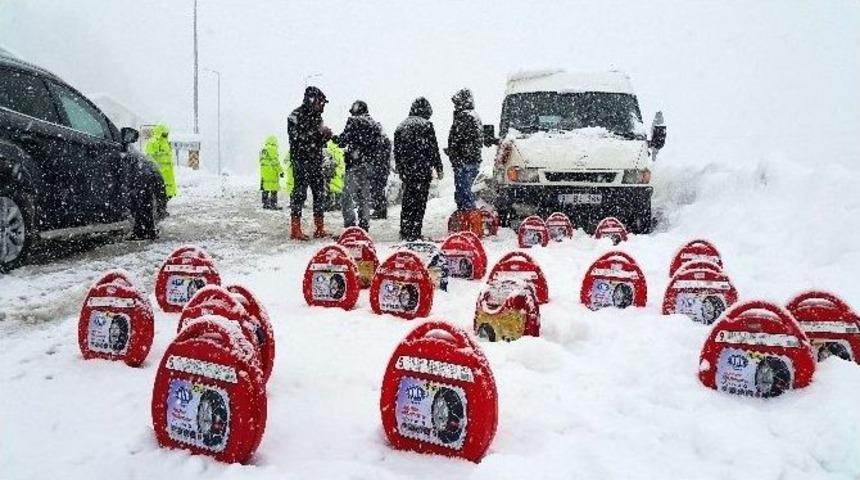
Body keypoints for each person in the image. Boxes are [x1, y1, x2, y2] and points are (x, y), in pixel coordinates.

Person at [394, 97, 443, 241]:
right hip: (422, 171)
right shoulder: (426, 125)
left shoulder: (401, 126)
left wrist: (401, 169)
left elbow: (397, 152)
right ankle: (415, 231)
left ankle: (405, 230)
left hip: (408, 172)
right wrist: (438, 167)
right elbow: (433, 149)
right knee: (419, 203)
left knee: (408, 200)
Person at [287, 86, 333, 240]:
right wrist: (317, 134)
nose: (322, 107)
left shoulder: (317, 118)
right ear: (312, 100)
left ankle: (319, 228)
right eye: (321, 103)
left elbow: (317, 141)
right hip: (300, 161)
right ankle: (295, 229)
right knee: (299, 194)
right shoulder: (295, 116)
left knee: (319, 194)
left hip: (315, 161)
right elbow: (297, 139)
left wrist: (324, 137)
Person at [338, 100, 381, 232]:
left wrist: (333, 138)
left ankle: (350, 227)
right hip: (369, 165)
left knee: (347, 197)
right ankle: (364, 226)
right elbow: (379, 146)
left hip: (354, 164)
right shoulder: (374, 124)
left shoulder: (353, 121)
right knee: (364, 197)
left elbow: (342, 141)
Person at [446, 88, 483, 232]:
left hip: (464, 162)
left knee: (464, 195)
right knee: (467, 193)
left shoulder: (464, 117)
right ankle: (470, 225)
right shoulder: (473, 116)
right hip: (470, 160)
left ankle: (470, 227)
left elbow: (457, 140)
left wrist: (455, 154)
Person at [145, 124, 177, 198]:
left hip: (167, 170)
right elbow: (150, 155)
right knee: (160, 188)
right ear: (160, 132)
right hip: (159, 169)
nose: (166, 134)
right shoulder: (153, 142)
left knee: (168, 186)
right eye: (164, 133)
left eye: (167, 133)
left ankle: (168, 195)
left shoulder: (166, 142)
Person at [370, 129, 392, 219]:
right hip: (382, 170)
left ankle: (380, 210)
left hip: (378, 170)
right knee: (379, 191)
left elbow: (377, 156)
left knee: (377, 191)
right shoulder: (385, 141)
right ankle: (381, 211)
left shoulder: (379, 141)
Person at [259, 135, 283, 209]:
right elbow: (275, 162)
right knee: (274, 189)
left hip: (264, 172)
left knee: (265, 188)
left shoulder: (263, 150)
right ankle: (273, 204)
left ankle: (265, 203)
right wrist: (280, 171)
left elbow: (261, 161)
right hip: (272, 171)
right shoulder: (273, 149)